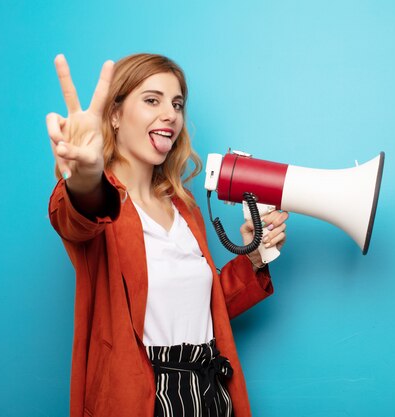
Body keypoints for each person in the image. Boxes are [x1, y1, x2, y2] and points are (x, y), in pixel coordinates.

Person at [46, 53, 289, 417]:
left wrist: (253, 259)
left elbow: (203, 310)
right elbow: (78, 213)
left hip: (209, 392)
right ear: (114, 115)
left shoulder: (185, 207)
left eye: (176, 104)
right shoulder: (99, 202)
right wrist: (85, 177)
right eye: (151, 100)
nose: (170, 114)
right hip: (142, 397)